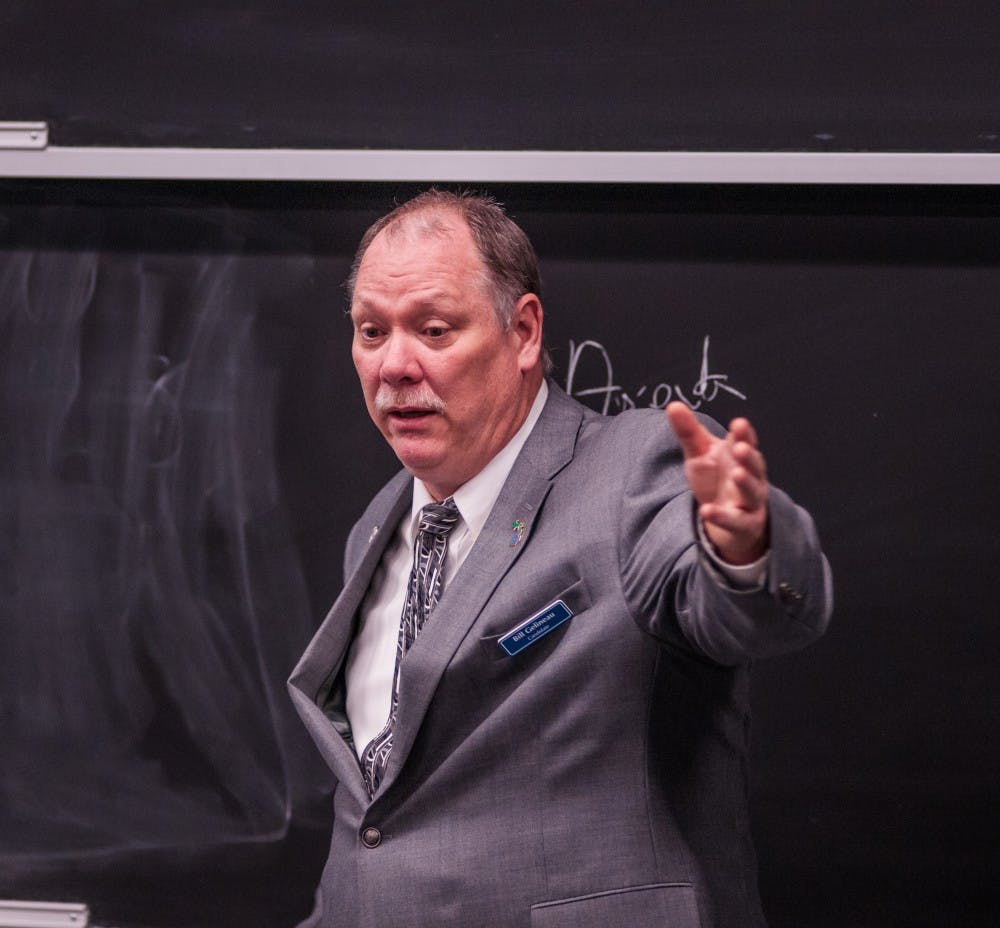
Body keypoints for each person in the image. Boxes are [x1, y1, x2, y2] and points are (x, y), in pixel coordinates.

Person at [288, 190, 833, 928]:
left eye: (434, 329)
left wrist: (743, 548)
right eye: (370, 332)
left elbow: (740, 610)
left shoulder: (628, 472)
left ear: (523, 331)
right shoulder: (374, 532)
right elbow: (379, 824)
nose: (395, 365)